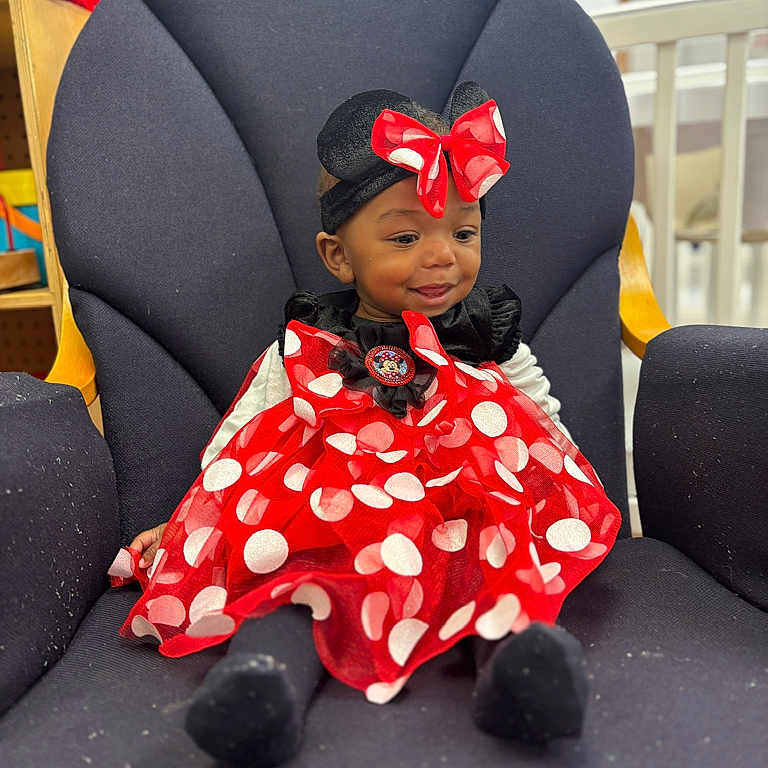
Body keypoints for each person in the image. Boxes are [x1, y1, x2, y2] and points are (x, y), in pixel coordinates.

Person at [108, 82, 621, 766]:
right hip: (329, 519)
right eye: (406, 236)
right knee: (288, 586)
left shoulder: (480, 329)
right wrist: (188, 517)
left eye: (463, 232)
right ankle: (264, 688)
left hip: (462, 510)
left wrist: (568, 487)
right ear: (339, 256)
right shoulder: (313, 337)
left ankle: (518, 671)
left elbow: (537, 411)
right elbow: (246, 425)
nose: (442, 255)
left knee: (498, 574)